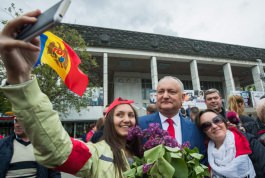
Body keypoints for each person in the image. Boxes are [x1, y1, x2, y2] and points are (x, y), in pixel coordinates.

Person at [0, 11, 142, 178]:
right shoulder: (95, 154)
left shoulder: (147, 151)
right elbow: (58, 150)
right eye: (120, 114)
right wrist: (21, 77)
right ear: (109, 121)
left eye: (131, 115)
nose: (127, 119)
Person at [139, 76, 206, 158]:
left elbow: (202, 159)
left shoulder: (195, 129)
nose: (165, 96)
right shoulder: (140, 124)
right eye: (161, 92)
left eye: (172, 92)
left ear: (182, 97)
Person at [196, 109, 265, 178]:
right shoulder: (205, 153)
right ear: (203, 131)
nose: (214, 126)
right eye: (206, 125)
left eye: (217, 120)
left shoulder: (248, 140)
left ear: (224, 122)